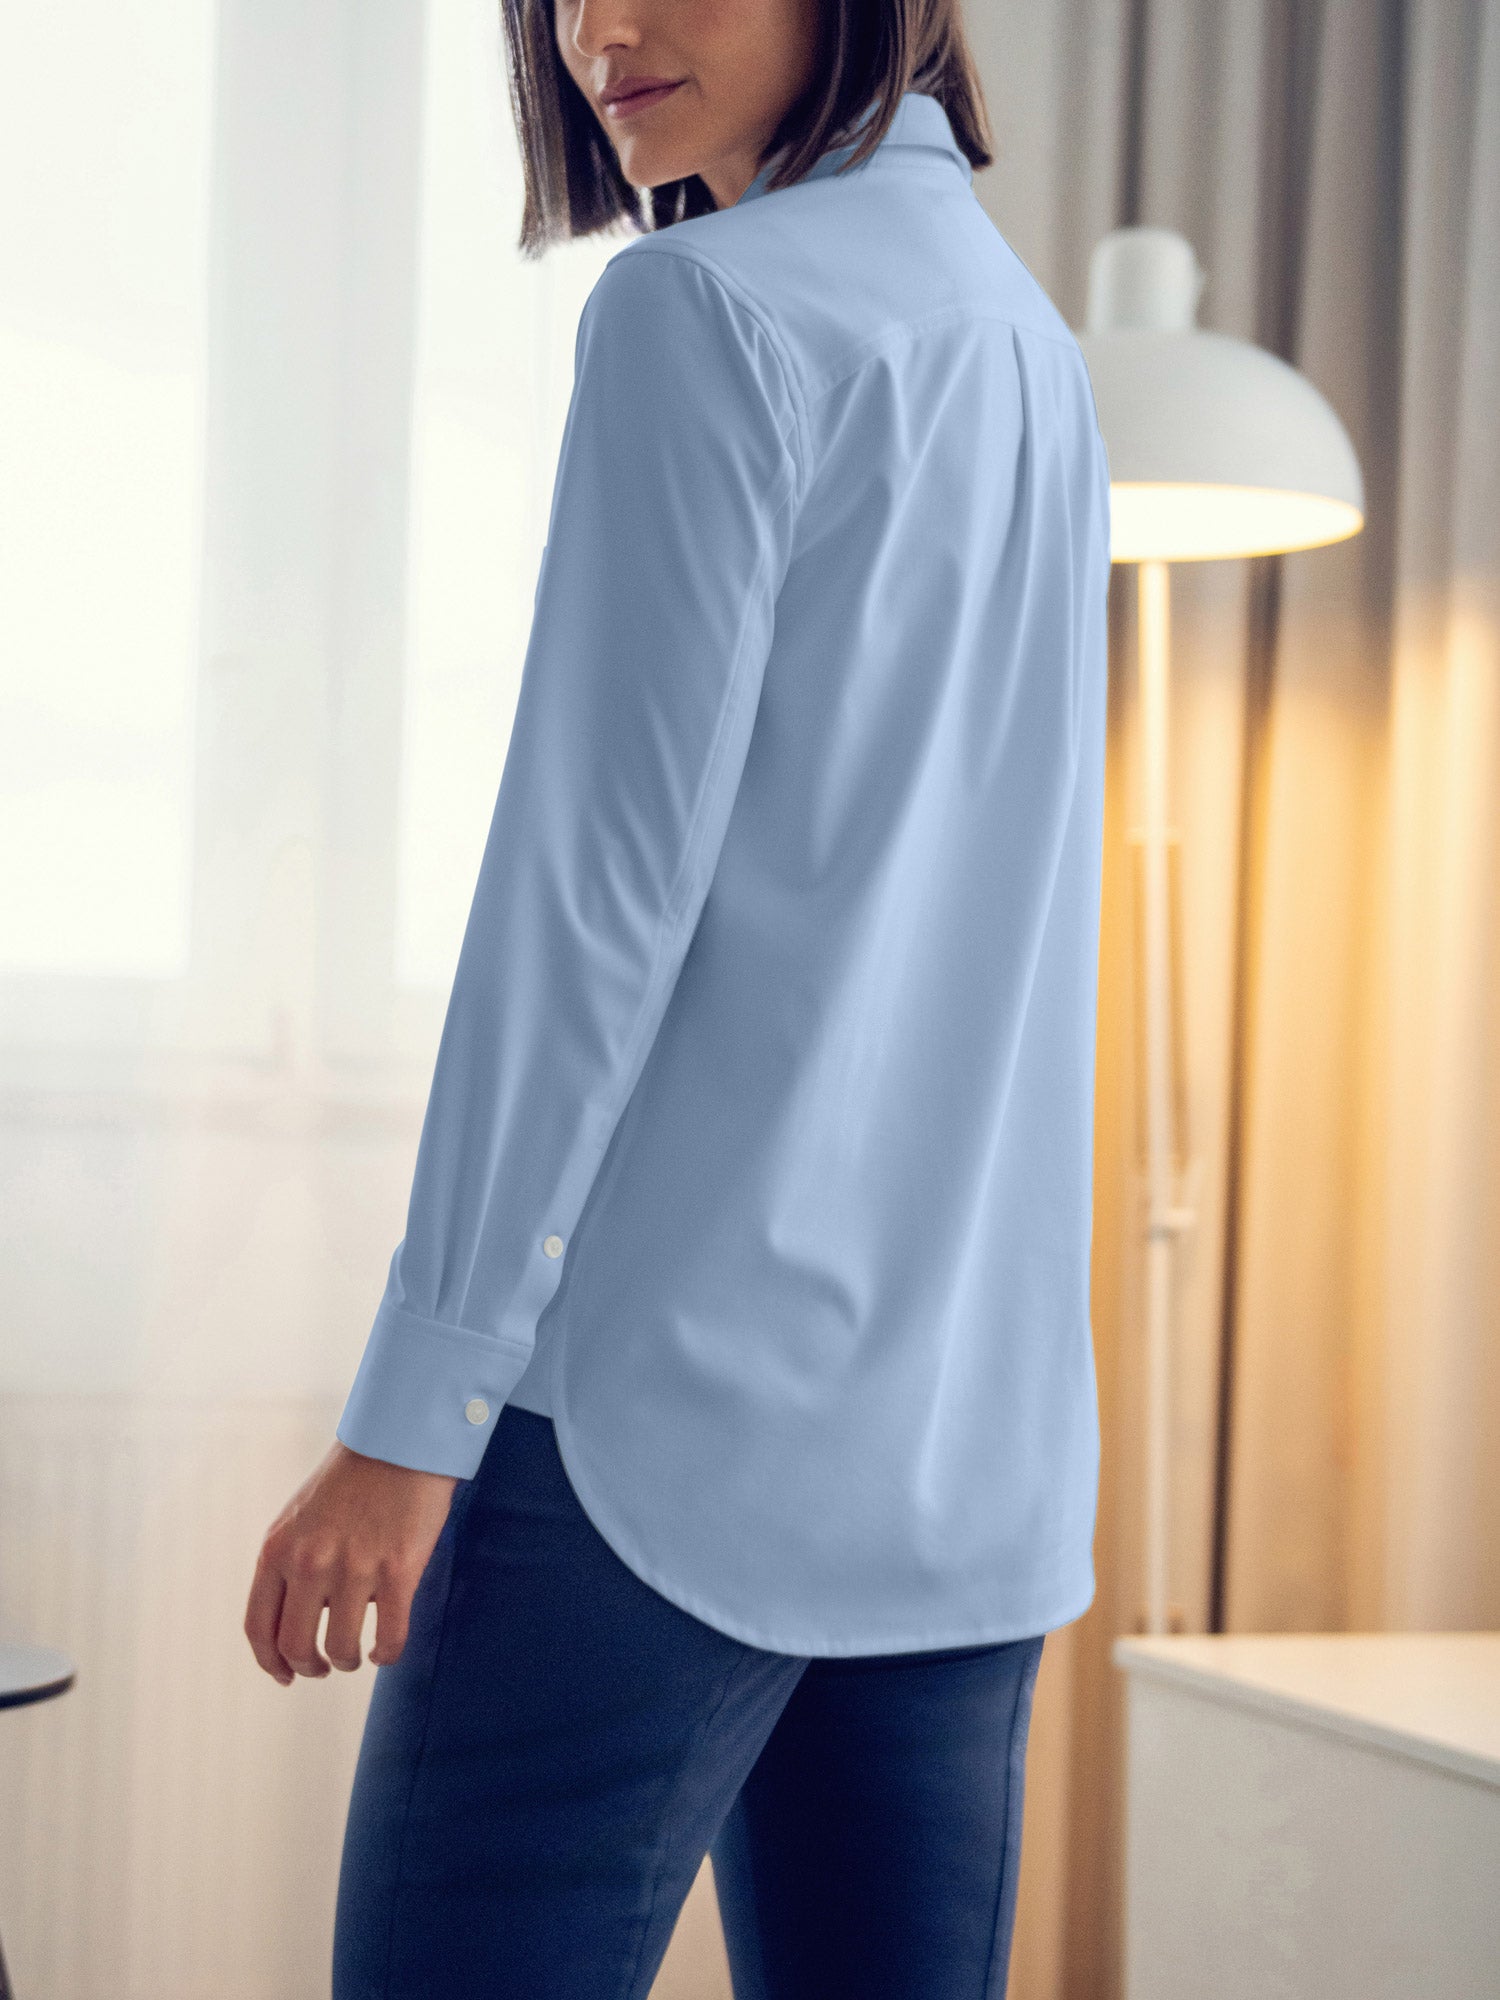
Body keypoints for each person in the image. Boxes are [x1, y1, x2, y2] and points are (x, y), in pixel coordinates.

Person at [244, 0, 1112, 1991]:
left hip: (654, 1444)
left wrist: (414, 1412)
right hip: (962, 1471)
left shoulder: (700, 310)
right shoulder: (1026, 345)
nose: (597, 30)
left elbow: (583, 909)